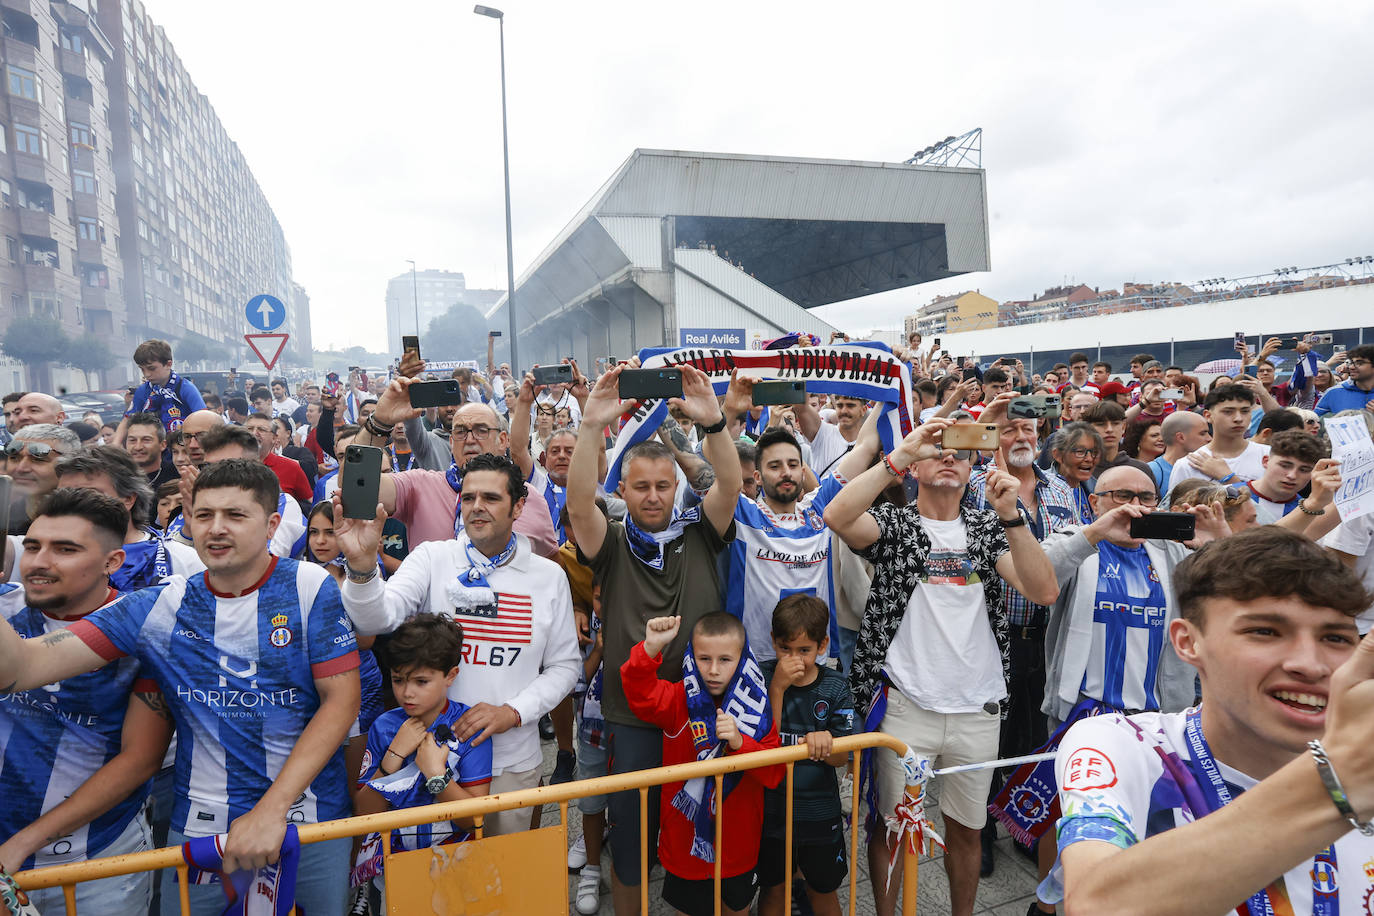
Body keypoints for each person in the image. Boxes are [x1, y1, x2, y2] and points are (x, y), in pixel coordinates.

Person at [0, 459, 362, 916]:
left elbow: (342, 700)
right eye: (204, 515)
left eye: (235, 515)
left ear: (272, 524)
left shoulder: (309, 585)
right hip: (199, 825)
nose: (217, 529)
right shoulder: (161, 604)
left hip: (306, 817)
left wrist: (272, 809)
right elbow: (26, 666)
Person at [1043, 527, 1374, 915]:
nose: (1309, 664)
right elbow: (1096, 905)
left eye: (1335, 639)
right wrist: (1337, 782)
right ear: (1187, 642)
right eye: (1265, 631)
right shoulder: (1125, 744)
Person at [824, 416, 1059, 916]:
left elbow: (1043, 591)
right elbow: (838, 515)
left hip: (979, 706)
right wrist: (899, 455)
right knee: (891, 826)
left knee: (968, 831)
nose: (948, 456)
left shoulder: (988, 526)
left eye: (959, 449)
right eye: (937, 448)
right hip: (907, 705)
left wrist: (1013, 515)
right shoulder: (898, 524)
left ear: (975, 461)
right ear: (915, 466)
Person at [565, 363, 747, 916]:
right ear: (622, 488)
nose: (651, 496)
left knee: (707, 824)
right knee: (632, 839)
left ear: (677, 487)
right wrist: (592, 426)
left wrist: (715, 422)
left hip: (702, 705)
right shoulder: (614, 541)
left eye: (662, 486)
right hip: (634, 712)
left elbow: (731, 485)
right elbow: (577, 507)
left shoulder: (702, 532)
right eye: (640, 486)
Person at [335, 452, 580, 836]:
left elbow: (566, 667)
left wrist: (512, 712)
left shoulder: (548, 576)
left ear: (518, 506)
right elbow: (375, 619)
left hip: (512, 765)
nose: (476, 507)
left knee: (508, 885)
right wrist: (363, 567)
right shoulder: (432, 557)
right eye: (468, 498)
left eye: (491, 498)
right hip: (430, 762)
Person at [0, 489, 173, 916]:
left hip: (97, 862)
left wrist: (21, 844)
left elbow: (140, 759)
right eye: (34, 545)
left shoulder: (146, 627)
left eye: (65, 549)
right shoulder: (6, 607)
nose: (39, 562)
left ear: (112, 562)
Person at [621, 612, 783, 916]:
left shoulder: (755, 707)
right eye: (704, 658)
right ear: (691, 657)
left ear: (743, 658)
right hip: (685, 848)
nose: (713, 670)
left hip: (739, 848)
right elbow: (638, 693)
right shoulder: (678, 697)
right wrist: (650, 648)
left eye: (725, 660)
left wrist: (739, 743)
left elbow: (774, 773)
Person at [352, 613, 492, 900]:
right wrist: (393, 756)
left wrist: (435, 774)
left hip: (457, 868)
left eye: (421, 681)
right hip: (392, 869)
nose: (407, 692)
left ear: (451, 675)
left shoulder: (468, 726)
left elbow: (475, 820)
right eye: (398, 679)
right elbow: (363, 814)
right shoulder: (384, 726)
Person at [350, 374, 558, 553]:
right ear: (451, 442)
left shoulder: (529, 499)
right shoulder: (419, 486)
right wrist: (380, 422)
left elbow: (552, 574)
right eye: (460, 432)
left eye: (481, 430)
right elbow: (356, 488)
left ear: (502, 440)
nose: (469, 439)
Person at [758, 595, 854, 916]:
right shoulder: (762, 677)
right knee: (773, 889)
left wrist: (828, 746)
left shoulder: (836, 687)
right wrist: (777, 689)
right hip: (771, 813)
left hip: (820, 816)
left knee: (822, 890)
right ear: (773, 641)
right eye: (785, 648)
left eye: (804, 650)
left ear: (823, 644)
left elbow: (842, 759)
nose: (794, 660)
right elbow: (761, 746)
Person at [54, 446, 204, 589]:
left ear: (128, 498)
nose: (71, 504)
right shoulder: (40, 557)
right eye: (63, 495)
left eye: (88, 494)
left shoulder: (182, 560)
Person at [1166, 384, 1268, 495]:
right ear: (1208, 415)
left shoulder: (1269, 455)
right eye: (1228, 412)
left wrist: (1228, 478)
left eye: (1245, 411)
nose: (1238, 418)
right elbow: (1176, 509)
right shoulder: (1188, 464)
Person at [112, 339, 206, 450]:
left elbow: (203, 419)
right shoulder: (143, 390)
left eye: (152, 368)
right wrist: (115, 444)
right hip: (153, 451)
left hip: (182, 450)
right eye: (142, 369)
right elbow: (128, 419)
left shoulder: (185, 388)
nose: (147, 374)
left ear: (168, 364)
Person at [6, 424, 84, 536]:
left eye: (38, 459)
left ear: (69, 465)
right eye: (14, 458)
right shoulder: (5, 516)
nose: (21, 468)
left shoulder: (88, 519)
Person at [1244, 429, 1326, 523]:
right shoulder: (1229, 496)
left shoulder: (1310, 515)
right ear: (1266, 461)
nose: (1292, 475)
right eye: (1285, 466)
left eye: (1304, 470)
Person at [243, 413, 313, 506]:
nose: (254, 433)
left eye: (261, 429)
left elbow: (308, 503)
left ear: (274, 438)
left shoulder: (291, 468)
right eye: (249, 429)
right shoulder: (231, 466)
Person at [1084, 400, 1154, 484]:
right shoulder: (1080, 471)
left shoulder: (1141, 469)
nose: (1109, 429)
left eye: (1115, 424)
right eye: (1101, 424)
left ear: (1123, 427)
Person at [1047, 423, 1103, 524]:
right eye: (1080, 452)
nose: (1089, 459)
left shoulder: (1098, 489)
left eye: (1094, 452)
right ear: (1058, 455)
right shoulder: (1040, 490)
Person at [1147, 410, 1211, 494]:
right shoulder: (1152, 471)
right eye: (1202, 434)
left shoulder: (1209, 466)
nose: (1209, 439)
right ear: (1181, 437)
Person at [123, 412, 179, 490]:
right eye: (132, 440)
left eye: (146, 440)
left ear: (163, 445)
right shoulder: (117, 478)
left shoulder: (177, 476)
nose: (138, 447)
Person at [1315, 343, 1374, 415]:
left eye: (1359, 363)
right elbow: (1314, 423)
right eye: (1351, 363)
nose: (1351, 367)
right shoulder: (1334, 392)